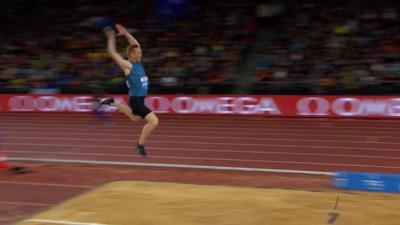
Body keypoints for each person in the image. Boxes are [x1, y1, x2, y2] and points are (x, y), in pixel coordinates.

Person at [99, 24, 159, 156]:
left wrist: (126, 33)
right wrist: (111, 37)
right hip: (136, 100)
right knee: (154, 121)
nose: (141, 53)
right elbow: (112, 53)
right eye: (138, 52)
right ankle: (140, 145)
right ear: (132, 54)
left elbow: (135, 44)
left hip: (139, 99)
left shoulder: (138, 62)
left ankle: (112, 102)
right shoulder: (128, 66)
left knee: (135, 118)